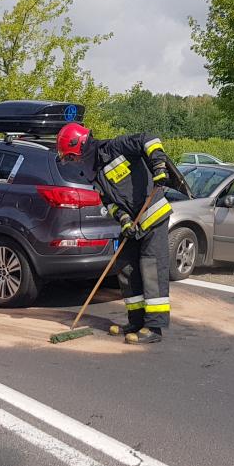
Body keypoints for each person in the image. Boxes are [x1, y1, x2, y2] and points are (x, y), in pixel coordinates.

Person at [57, 122, 185, 345]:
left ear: (81, 145)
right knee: (125, 267)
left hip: (153, 216)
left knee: (152, 268)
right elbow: (110, 203)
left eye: (72, 156)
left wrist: (159, 166)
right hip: (133, 225)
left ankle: (154, 327)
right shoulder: (94, 173)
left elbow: (149, 139)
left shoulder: (115, 148)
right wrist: (124, 221)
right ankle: (135, 321)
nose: (73, 161)